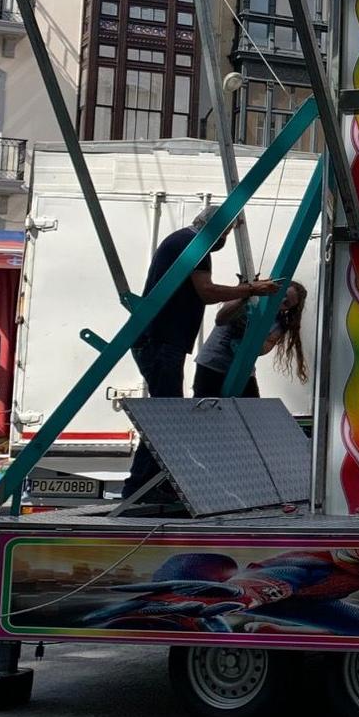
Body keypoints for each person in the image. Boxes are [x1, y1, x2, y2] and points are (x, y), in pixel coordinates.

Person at [125, 206, 279, 498]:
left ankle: (148, 486)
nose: (226, 239)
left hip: (161, 340)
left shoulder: (181, 241)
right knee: (166, 415)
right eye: (227, 232)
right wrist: (250, 290)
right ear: (217, 229)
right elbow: (206, 293)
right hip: (161, 340)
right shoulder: (193, 245)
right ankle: (141, 488)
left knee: (166, 414)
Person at [192, 283, 308, 398]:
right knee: (205, 409)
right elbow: (220, 319)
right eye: (282, 294)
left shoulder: (278, 324)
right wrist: (243, 299)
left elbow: (265, 348)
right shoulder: (250, 297)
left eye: (286, 303)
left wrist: (252, 335)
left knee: (250, 409)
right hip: (213, 362)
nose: (281, 300)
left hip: (243, 369)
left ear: (287, 309)